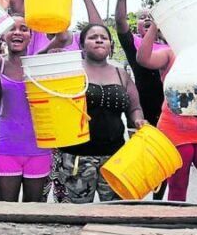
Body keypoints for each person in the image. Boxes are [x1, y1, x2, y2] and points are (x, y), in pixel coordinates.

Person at [83, 0, 170, 200]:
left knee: (161, 172)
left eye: (153, 16)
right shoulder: (136, 46)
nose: (148, 19)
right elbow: (119, 21)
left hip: (167, 116)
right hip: (142, 117)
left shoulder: (173, 47)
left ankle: (156, 211)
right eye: (142, 17)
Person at [51, 23, 145, 203]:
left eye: (104, 37)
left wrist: (138, 120)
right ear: (82, 45)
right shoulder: (69, 71)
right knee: (73, 217)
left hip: (115, 158)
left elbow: (134, 107)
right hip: (75, 157)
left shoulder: (121, 74)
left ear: (111, 44)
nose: (99, 40)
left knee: (114, 216)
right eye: (93, 37)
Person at [0, 15, 61, 202]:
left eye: (24, 29)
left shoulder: (40, 65)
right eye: (12, 28)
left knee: (32, 211)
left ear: (31, 36)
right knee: (7, 211)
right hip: (6, 149)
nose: (17, 32)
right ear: (3, 35)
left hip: (39, 150)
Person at [138, 22, 197, 202]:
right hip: (174, 129)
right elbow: (143, 59)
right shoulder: (169, 54)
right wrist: (154, 26)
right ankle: (176, 224)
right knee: (178, 186)